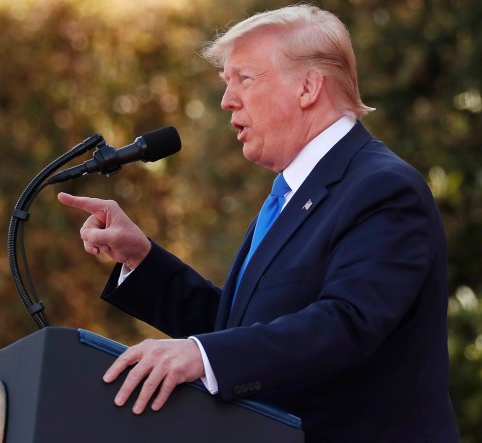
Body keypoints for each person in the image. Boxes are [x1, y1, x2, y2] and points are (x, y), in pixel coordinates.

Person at [57, 4, 460, 443]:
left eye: (244, 78)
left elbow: (347, 324)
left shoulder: (382, 187)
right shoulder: (293, 194)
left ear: (308, 87)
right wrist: (142, 259)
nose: (227, 99)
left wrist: (201, 355)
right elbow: (240, 333)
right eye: (226, 82)